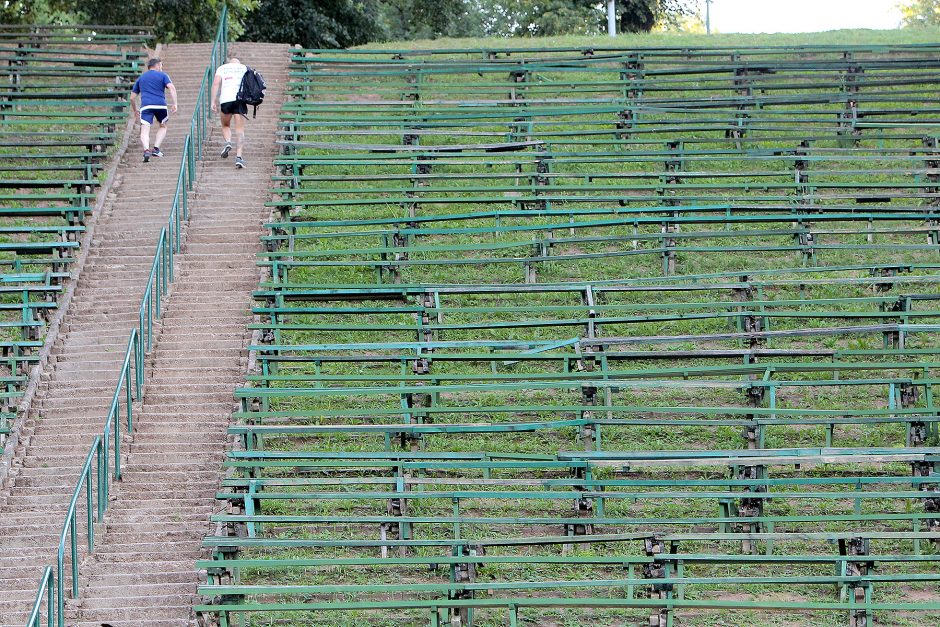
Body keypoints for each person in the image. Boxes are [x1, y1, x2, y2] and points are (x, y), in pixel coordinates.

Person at [130, 58, 178, 163]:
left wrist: (135, 110)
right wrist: (175, 103)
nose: (161, 67)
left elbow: (132, 97)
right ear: (157, 65)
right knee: (163, 126)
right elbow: (172, 88)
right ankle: (156, 149)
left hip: (146, 106)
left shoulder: (141, 78)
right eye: (161, 65)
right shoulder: (163, 75)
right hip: (160, 105)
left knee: (144, 129)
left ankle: (146, 150)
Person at [211, 55, 248, 169]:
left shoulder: (222, 68)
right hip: (240, 100)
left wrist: (213, 101)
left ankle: (228, 142)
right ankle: (239, 157)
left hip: (226, 100)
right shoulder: (244, 68)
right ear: (238, 63)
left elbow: (216, 83)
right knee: (240, 130)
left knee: (225, 125)